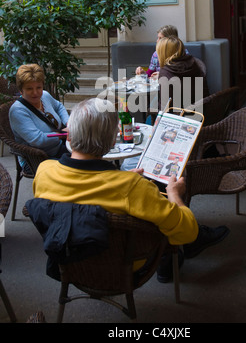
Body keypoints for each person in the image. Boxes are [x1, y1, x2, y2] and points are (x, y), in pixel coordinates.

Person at [31, 97, 229, 283]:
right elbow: (188, 232)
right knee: (162, 214)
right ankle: (168, 262)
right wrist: (174, 194)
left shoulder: (44, 171)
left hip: (68, 261)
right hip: (124, 267)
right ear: (110, 143)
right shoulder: (132, 188)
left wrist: (124, 180)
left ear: (70, 136)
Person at [9, 64, 69, 170]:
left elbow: (59, 107)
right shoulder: (18, 111)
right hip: (35, 159)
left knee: (89, 155)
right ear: (21, 90)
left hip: (58, 148)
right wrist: (62, 134)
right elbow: (38, 140)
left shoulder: (45, 96)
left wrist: (68, 123)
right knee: (79, 166)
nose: (35, 93)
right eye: (29, 89)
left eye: (39, 87)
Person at [157, 36, 208, 110]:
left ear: (163, 53)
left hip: (180, 118)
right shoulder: (195, 63)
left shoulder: (166, 72)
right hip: (203, 112)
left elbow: (164, 108)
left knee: (149, 117)